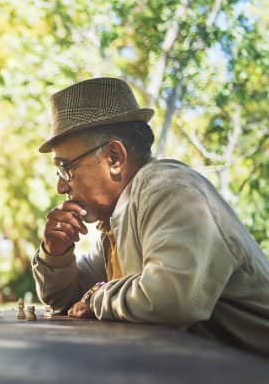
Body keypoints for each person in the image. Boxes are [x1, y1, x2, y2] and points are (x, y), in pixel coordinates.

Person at [31, 77, 269, 356]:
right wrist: (56, 254)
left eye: (65, 168)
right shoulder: (116, 222)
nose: (61, 186)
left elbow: (171, 299)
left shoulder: (169, 190)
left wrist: (97, 296)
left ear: (114, 158)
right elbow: (65, 301)